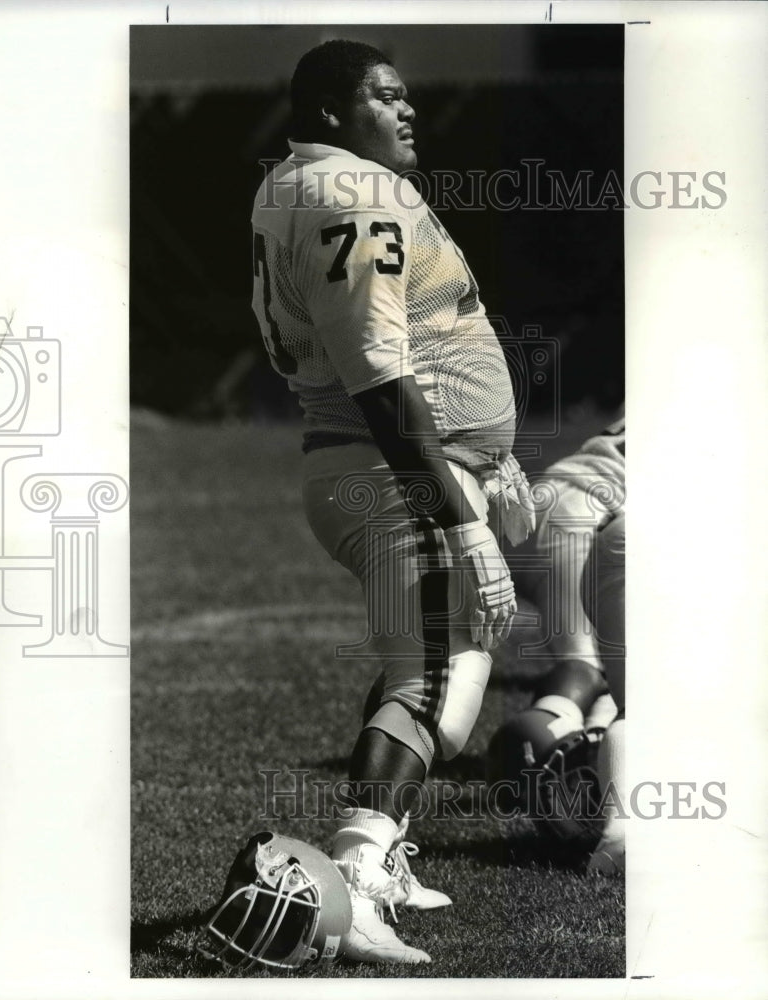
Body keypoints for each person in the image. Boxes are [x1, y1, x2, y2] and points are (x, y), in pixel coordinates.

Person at [250, 39, 534, 964]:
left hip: (393, 465)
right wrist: (458, 510)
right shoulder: (351, 196)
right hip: (389, 472)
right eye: (386, 97)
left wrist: (488, 459)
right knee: (431, 682)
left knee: (438, 669)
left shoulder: (303, 183)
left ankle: (383, 850)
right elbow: (379, 376)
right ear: (331, 110)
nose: (407, 111)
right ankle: (355, 879)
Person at [488, 415, 625, 873]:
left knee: (585, 672)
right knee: (627, 692)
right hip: (602, 520)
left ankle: (547, 722)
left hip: (545, 498)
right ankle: (588, 799)